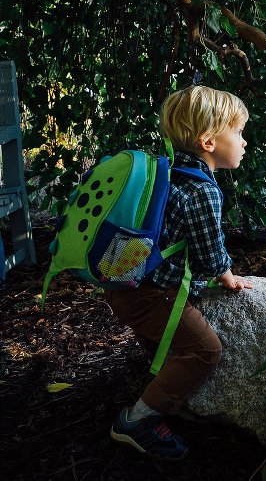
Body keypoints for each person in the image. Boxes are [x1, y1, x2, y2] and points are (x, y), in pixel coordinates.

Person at [105, 85, 255, 460]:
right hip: (151, 296)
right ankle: (137, 420)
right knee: (205, 350)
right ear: (208, 141)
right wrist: (227, 276)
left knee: (171, 342)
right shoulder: (204, 191)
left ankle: (159, 388)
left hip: (125, 284)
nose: (244, 141)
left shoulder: (170, 172)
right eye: (237, 132)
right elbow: (208, 256)